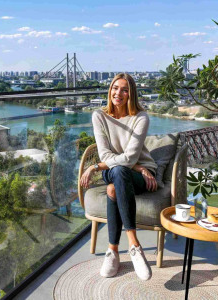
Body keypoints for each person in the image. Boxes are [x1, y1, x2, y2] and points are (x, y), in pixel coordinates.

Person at [80, 73, 158, 281]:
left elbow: (131, 156)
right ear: (110, 90)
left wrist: (96, 167)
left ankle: (113, 251)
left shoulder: (141, 117)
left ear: (131, 94)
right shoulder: (99, 116)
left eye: (125, 90)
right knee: (120, 171)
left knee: (113, 188)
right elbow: (106, 154)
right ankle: (134, 246)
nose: (118, 93)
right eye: (115, 88)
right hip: (118, 170)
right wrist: (136, 166)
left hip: (142, 175)